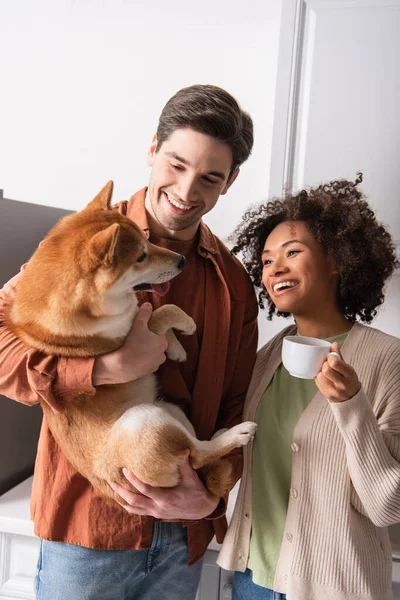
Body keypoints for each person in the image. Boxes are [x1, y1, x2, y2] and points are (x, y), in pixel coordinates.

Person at [0, 84, 259, 600]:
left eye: (210, 177)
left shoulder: (232, 283)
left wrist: (207, 502)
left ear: (229, 182)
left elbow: (237, 406)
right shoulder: (79, 245)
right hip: (88, 533)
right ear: (152, 150)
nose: (187, 191)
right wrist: (102, 369)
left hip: (182, 541)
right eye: (176, 164)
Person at [217, 175, 400, 600]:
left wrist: (352, 406)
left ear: (336, 260)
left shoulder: (387, 360)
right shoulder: (267, 357)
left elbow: (387, 506)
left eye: (292, 253)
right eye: (265, 261)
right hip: (253, 578)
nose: (274, 268)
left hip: (336, 586)